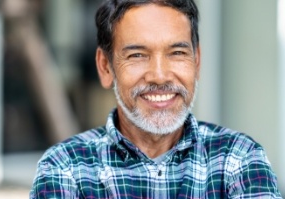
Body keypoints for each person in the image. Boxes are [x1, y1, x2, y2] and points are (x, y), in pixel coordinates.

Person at [30, 0, 282, 198]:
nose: (159, 76)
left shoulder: (238, 158)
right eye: (138, 55)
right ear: (105, 67)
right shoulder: (65, 168)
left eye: (177, 53)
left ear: (197, 61)